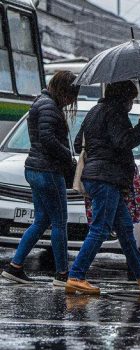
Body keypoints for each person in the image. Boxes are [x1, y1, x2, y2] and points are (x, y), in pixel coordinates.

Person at [65, 80, 140, 295]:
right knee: (100, 228)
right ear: (124, 98)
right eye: (131, 99)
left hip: (97, 175)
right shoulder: (115, 112)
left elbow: (78, 143)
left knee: (124, 228)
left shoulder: (95, 111)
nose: (131, 104)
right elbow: (122, 141)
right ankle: (76, 275)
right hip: (106, 178)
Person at [1, 71, 79, 286]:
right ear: (63, 90)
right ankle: (63, 274)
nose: (71, 100)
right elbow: (47, 139)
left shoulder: (42, 103)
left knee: (41, 221)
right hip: (48, 171)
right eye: (71, 95)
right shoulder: (48, 107)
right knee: (59, 223)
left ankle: (15, 267)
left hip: (35, 169)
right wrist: (67, 156)